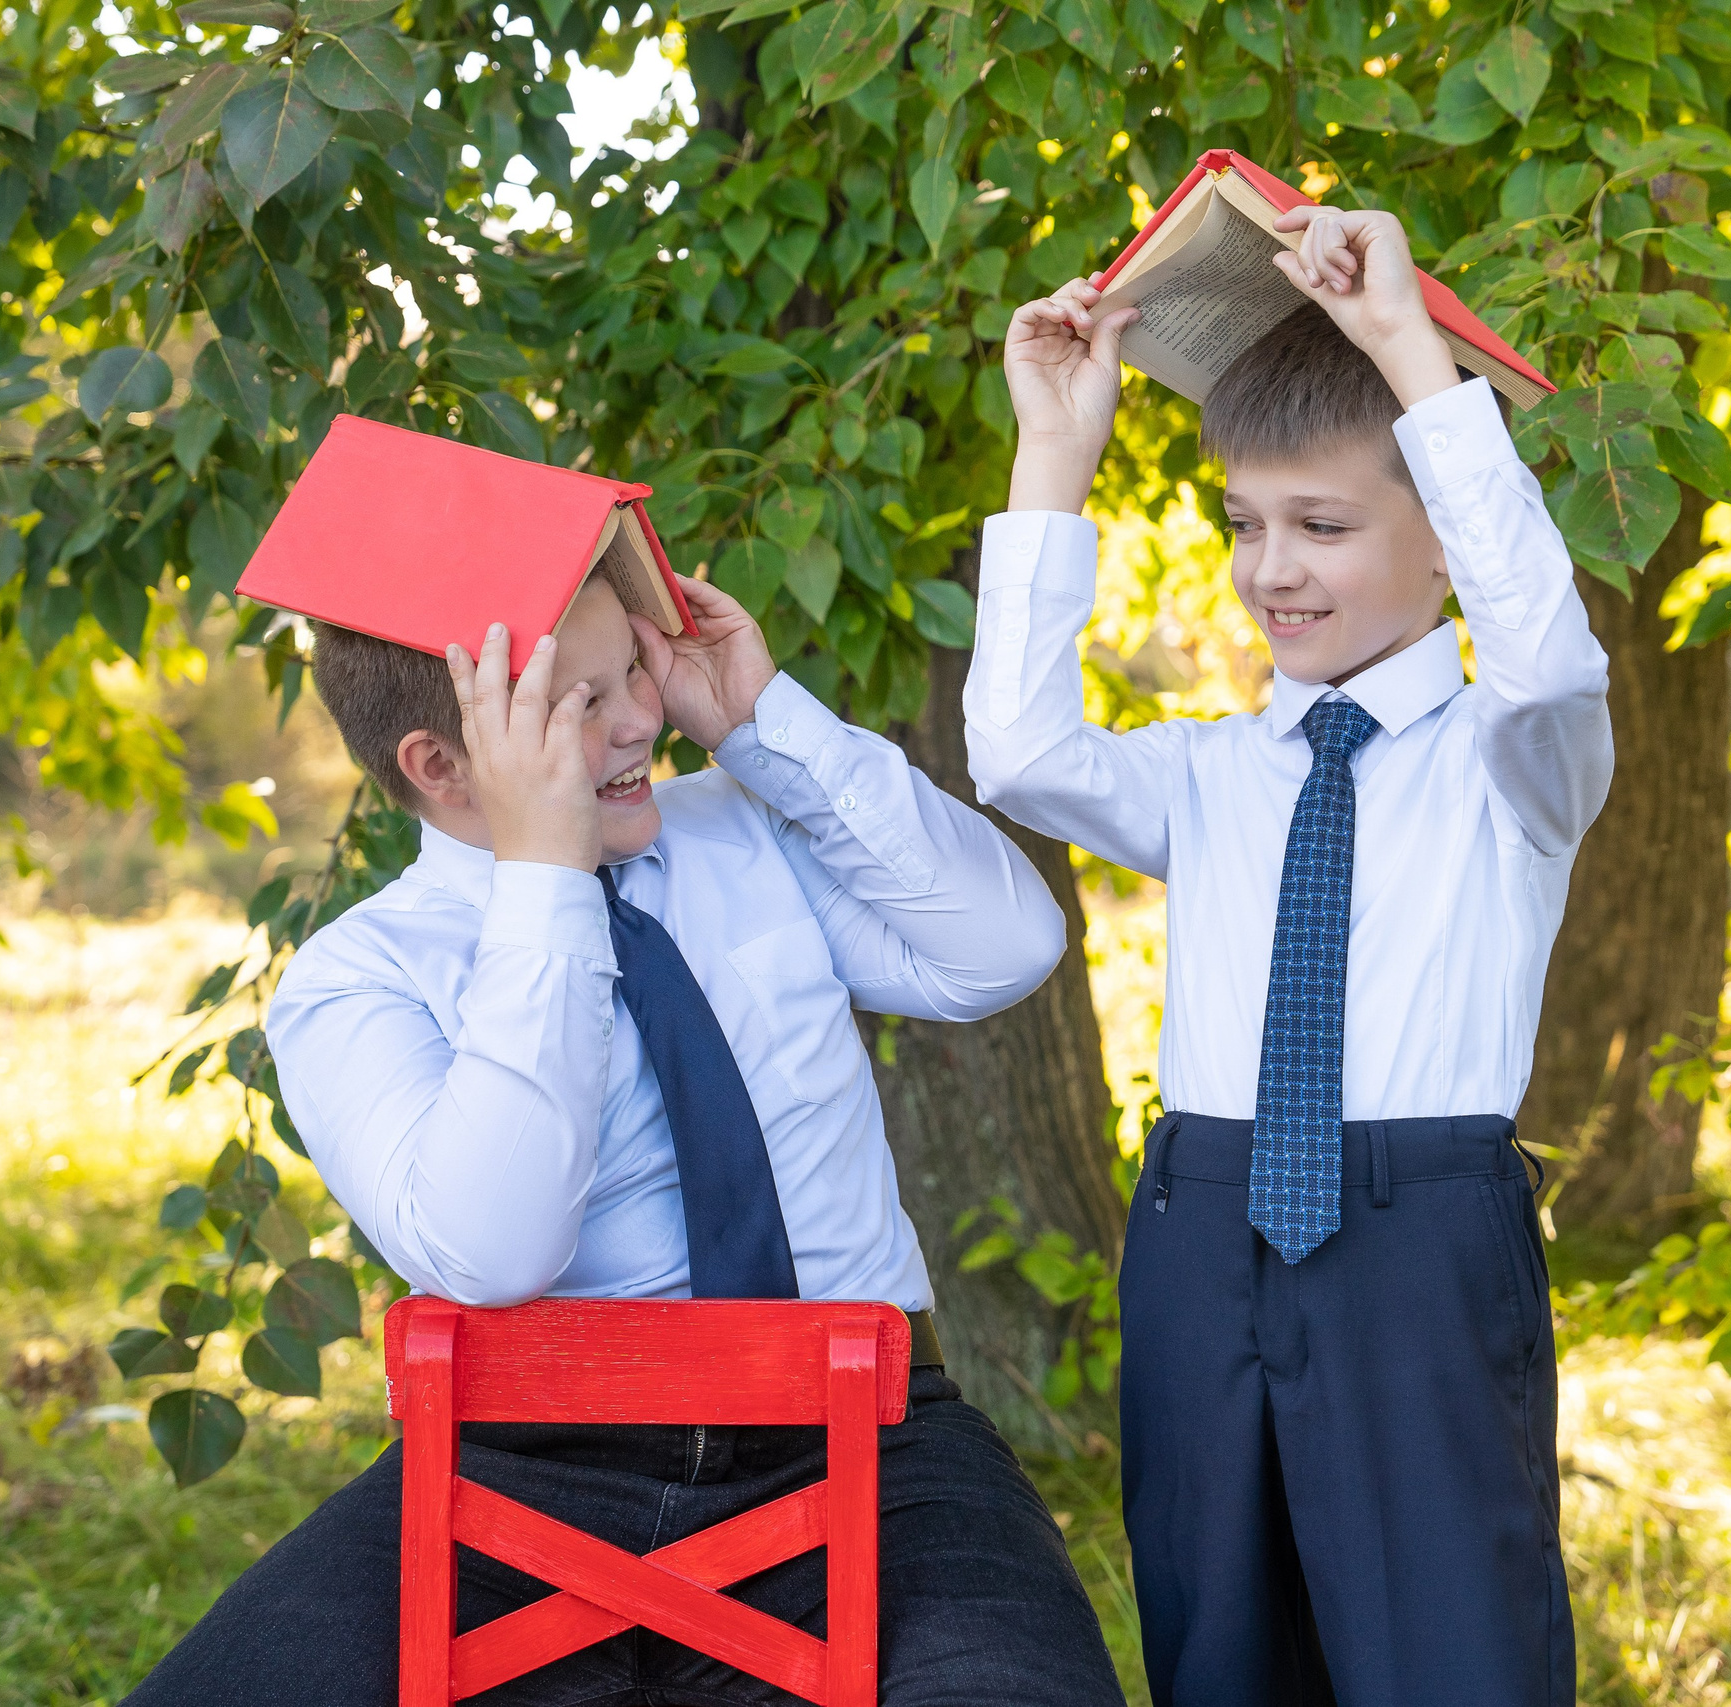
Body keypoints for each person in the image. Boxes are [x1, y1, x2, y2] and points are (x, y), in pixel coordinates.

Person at [127, 570, 1126, 1706]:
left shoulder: (742, 830)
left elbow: (1001, 946)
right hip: (519, 1473)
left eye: (634, 675)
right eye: (581, 705)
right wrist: (546, 881)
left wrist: (760, 721)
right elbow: (496, 1250)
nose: (642, 721)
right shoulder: (359, 980)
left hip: (871, 1446)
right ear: (442, 767)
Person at [969, 205, 1610, 1705]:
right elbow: (1021, 749)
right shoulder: (1212, 774)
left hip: (1420, 1242)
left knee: (1451, 1649)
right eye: (1247, 524)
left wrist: (1408, 350)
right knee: (1220, 1643)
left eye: (1323, 524)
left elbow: (1550, 657)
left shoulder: (1514, 767)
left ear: (1447, 546)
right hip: (1203, 1224)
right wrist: (1055, 457)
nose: (1275, 570)